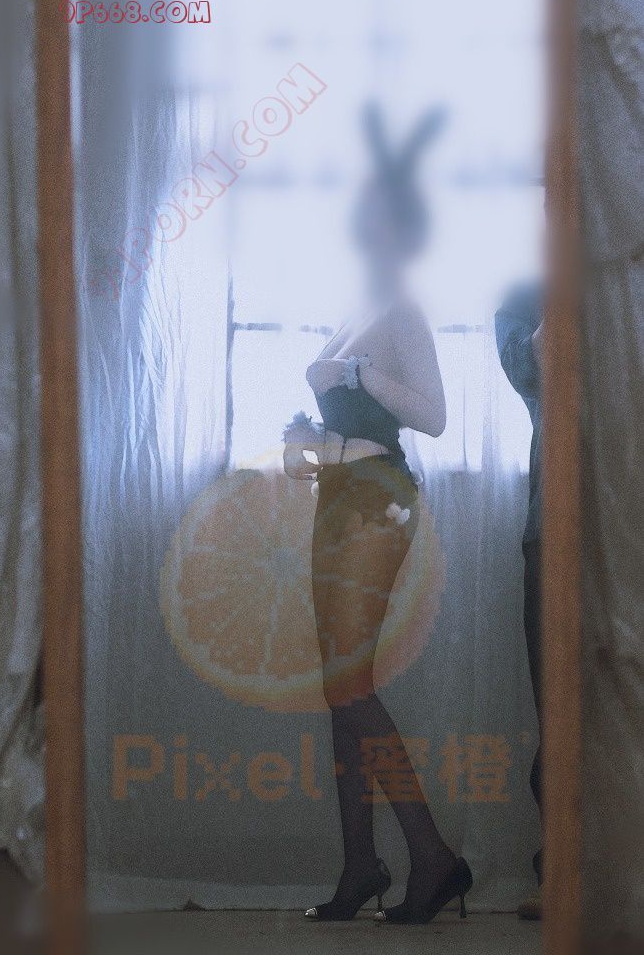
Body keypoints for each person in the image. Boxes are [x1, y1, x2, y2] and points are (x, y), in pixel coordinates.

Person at [283, 104, 472, 925]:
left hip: (378, 501)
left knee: (348, 687)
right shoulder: (355, 309)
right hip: (338, 495)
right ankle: (360, 865)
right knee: (339, 689)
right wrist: (305, 438)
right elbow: (349, 419)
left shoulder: (401, 310)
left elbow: (431, 417)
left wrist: (358, 374)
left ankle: (432, 858)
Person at [495, 284, 544, 919]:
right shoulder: (523, 300)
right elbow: (535, 378)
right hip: (554, 531)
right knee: (558, 708)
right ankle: (559, 867)